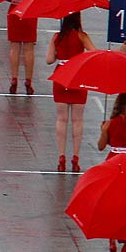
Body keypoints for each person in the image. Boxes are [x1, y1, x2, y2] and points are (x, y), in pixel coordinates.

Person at [45, 13, 92, 171]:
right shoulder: (82, 36)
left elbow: (49, 60)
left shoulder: (57, 37)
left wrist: (60, 53)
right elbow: (94, 54)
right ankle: (75, 158)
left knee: (61, 119)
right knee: (77, 120)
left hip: (61, 76)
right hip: (78, 75)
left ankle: (61, 156)